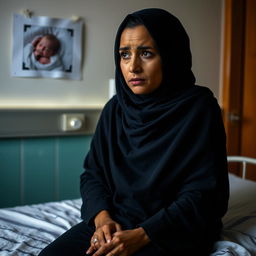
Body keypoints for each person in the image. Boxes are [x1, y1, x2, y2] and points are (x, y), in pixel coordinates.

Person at [39, 8, 229, 256]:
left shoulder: (198, 108)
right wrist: (102, 218)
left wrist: (144, 233)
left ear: (171, 55)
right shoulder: (115, 109)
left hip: (174, 228)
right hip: (118, 221)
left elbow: (205, 194)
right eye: (124, 54)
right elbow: (93, 174)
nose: (133, 67)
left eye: (146, 53)